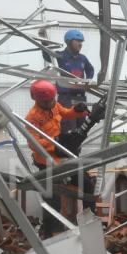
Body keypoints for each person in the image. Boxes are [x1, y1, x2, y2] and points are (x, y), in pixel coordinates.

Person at [25, 79, 92, 239]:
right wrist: (57, 141)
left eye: (55, 98)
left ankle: (91, 221)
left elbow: (67, 114)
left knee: (87, 183)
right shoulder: (32, 118)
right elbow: (34, 144)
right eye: (52, 99)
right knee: (52, 200)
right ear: (41, 100)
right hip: (47, 163)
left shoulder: (54, 105)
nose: (55, 102)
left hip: (62, 156)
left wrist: (78, 110)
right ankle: (49, 235)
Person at [39, 28, 94, 134]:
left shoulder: (82, 58)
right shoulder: (61, 56)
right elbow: (47, 55)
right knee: (68, 130)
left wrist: (88, 80)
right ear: (69, 42)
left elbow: (90, 69)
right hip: (66, 100)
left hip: (81, 99)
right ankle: (66, 150)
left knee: (82, 129)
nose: (80, 44)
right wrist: (44, 41)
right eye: (77, 41)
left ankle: (77, 150)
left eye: (81, 42)